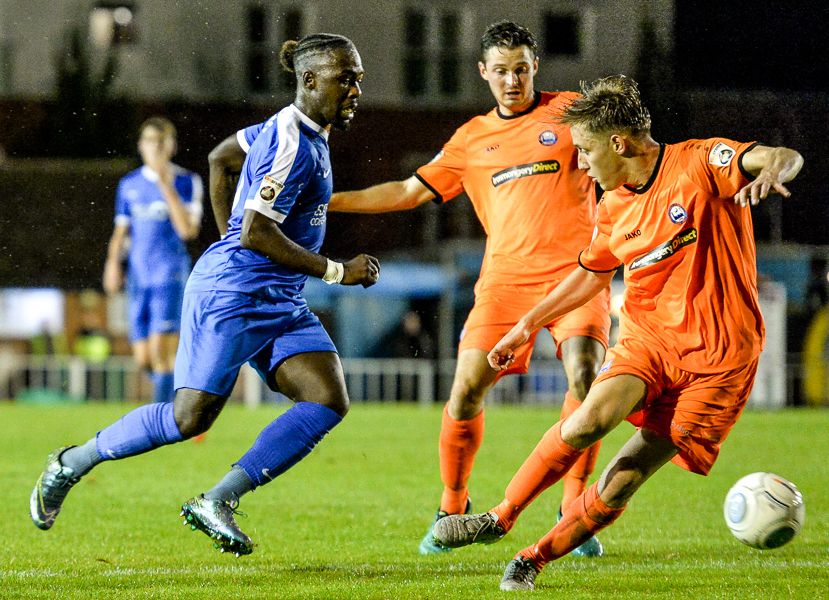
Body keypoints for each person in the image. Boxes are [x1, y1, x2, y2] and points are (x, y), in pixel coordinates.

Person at [431, 74, 804, 591]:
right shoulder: (613, 206)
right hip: (649, 341)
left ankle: (533, 558)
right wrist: (525, 325)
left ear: (618, 144)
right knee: (588, 420)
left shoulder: (698, 163)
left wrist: (776, 167)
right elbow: (591, 272)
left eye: (585, 151)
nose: (581, 164)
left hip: (720, 361)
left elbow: (780, 155)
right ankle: (500, 516)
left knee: (626, 476)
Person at [30, 33, 380, 557]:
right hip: (234, 295)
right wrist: (336, 270)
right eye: (345, 79)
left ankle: (218, 500)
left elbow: (221, 159)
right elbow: (256, 232)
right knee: (187, 418)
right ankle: (69, 463)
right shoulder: (290, 142)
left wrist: (228, 236)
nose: (356, 89)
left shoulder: (300, 130)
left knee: (327, 398)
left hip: (279, 297)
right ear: (309, 80)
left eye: (358, 79)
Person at [329, 21, 610, 556]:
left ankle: (573, 511)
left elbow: (626, 153)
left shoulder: (572, 112)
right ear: (483, 72)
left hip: (576, 275)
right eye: (501, 71)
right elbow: (407, 191)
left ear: (535, 67)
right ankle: (451, 506)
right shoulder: (471, 139)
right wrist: (330, 202)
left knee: (585, 375)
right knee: (464, 392)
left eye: (521, 69)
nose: (513, 80)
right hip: (504, 282)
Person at [103, 116, 203, 404]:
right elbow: (122, 231)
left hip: (169, 273)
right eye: (149, 140)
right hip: (138, 276)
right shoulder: (129, 184)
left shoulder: (186, 181)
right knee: (144, 357)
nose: (155, 147)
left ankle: (166, 418)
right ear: (140, 146)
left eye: (161, 141)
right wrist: (112, 264)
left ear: (172, 146)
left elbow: (187, 230)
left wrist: (165, 186)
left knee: (162, 350)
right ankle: (183, 399)